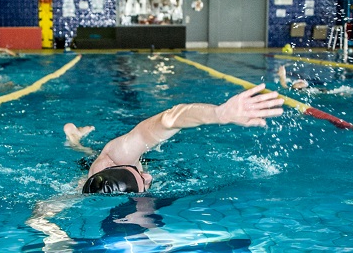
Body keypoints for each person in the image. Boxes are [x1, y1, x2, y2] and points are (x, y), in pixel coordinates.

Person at [63, 83, 284, 194]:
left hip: (109, 160)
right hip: (95, 176)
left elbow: (168, 121)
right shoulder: (79, 193)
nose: (149, 177)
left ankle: (75, 140)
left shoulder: (122, 153)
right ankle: (76, 141)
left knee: (88, 155)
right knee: (86, 161)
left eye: (141, 174)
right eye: (143, 180)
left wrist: (219, 114)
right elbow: (40, 216)